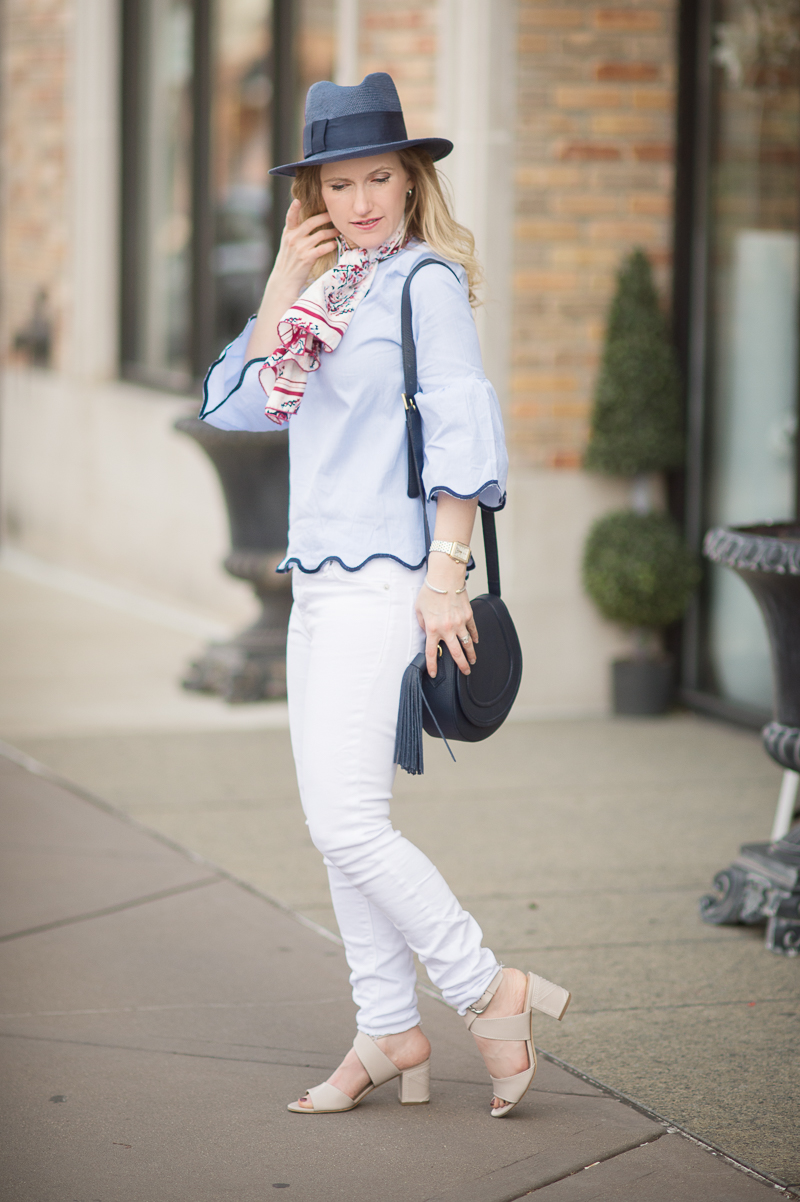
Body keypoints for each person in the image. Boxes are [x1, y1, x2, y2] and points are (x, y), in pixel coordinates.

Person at [200, 73, 571, 1118]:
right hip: (313, 587)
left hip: (385, 585)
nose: (361, 200)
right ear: (311, 193)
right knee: (333, 824)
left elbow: (461, 431)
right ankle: (383, 1024)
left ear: (409, 181)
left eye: (378, 177)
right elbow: (234, 405)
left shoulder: (423, 286)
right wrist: (282, 272)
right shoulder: (326, 294)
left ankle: (485, 988)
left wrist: (444, 576)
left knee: (352, 822)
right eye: (338, 182)